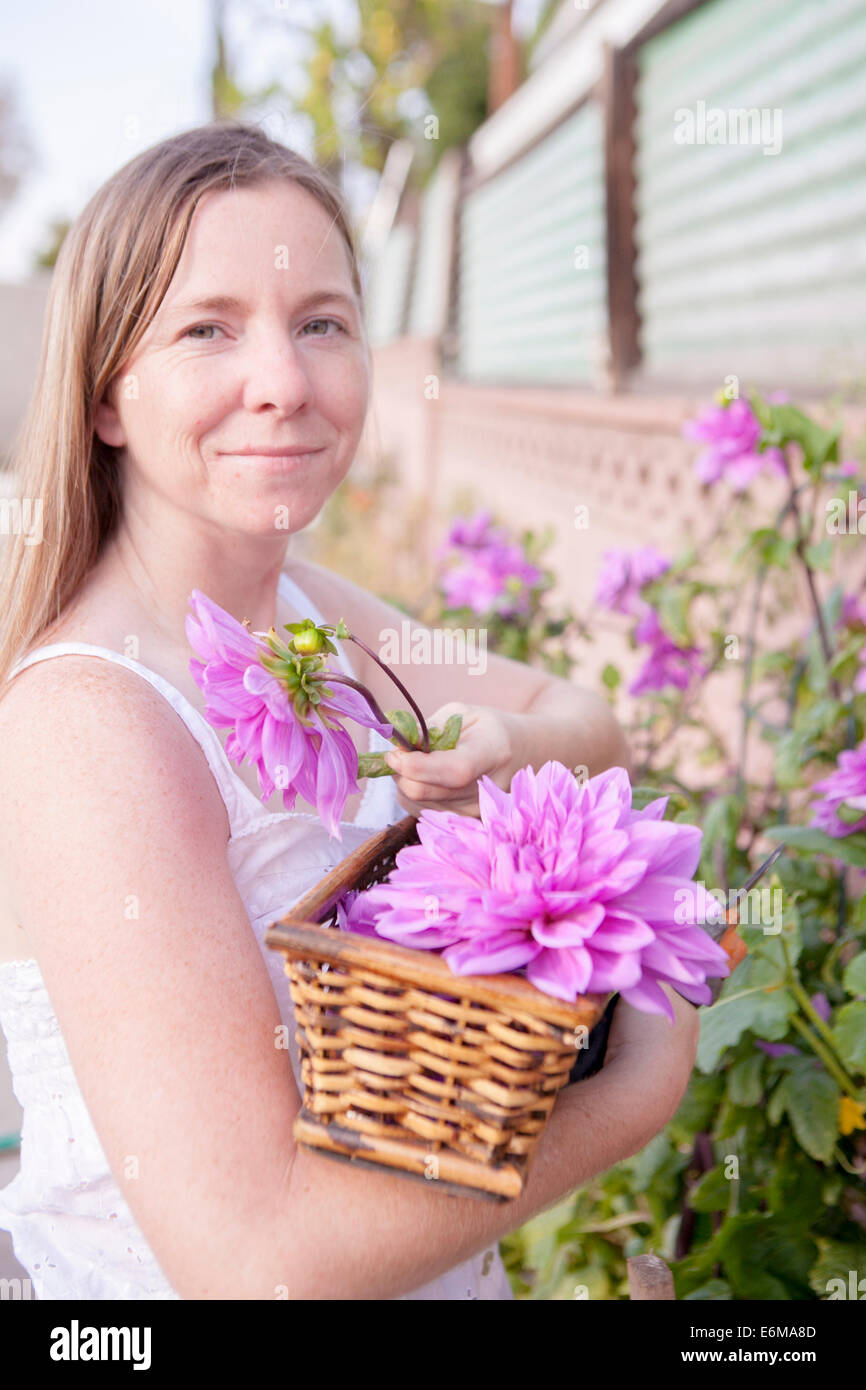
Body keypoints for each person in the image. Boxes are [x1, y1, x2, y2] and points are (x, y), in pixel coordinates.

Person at [0, 121, 698, 1300]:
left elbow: (586, 720)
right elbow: (255, 1261)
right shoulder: (95, 725)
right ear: (108, 396)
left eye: (320, 322)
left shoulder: (311, 612)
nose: (282, 382)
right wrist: (627, 1100)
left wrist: (507, 747)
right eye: (206, 328)